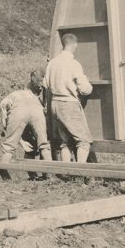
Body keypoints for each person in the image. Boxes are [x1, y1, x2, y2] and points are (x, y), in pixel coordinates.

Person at [44, 33, 93, 163]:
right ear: (74, 45)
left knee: (65, 142)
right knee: (84, 141)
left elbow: (45, 84)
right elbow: (84, 89)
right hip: (68, 104)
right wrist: (89, 86)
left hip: (55, 103)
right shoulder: (73, 63)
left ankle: (67, 172)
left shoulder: (52, 63)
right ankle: (81, 172)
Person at [0, 70, 52, 163]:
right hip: (37, 110)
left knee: (9, 146)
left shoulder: (15, 94)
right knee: (43, 144)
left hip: (18, 110)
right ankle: (50, 175)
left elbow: (3, 106)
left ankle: (4, 174)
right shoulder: (38, 95)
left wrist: (4, 126)